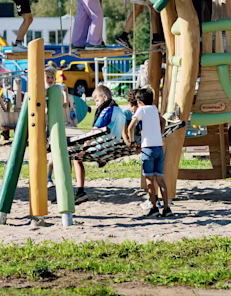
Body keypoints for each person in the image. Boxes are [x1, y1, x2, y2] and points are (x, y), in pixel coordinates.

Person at [73, 85, 126, 204]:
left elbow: (93, 132)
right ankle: (102, 161)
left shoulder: (107, 110)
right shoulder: (119, 110)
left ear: (105, 97)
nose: (96, 104)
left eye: (97, 100)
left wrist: (84, 149)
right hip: (113, 148)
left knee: (75, 157)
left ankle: (80, 191)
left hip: (102, 148)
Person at [127, 87, 172, 217]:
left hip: (147, 149)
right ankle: (166, 208)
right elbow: (163, 121)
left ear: (139, 101)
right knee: (160, 179)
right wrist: (160, 133)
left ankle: (153, 208)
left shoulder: (141, 109)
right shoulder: (154, 109)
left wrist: (132, 142)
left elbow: (131, 126)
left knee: (149, 180)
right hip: (158, 147)